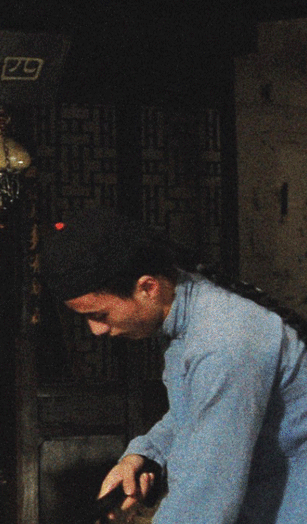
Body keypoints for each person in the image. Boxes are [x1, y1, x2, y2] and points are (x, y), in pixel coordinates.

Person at [40, 206, 307, 524]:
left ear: (148, 288)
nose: (96, 330)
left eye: (99, 315)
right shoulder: (190, 314)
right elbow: (195, 413)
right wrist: (144, 454)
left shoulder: (222, 342)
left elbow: (206, 494)